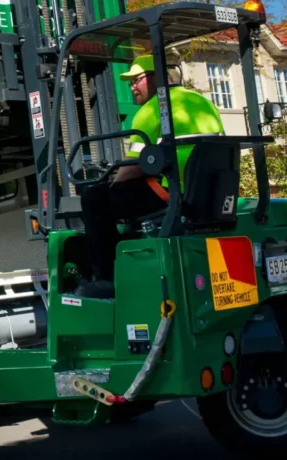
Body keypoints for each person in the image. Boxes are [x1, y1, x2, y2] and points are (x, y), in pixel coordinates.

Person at [76, 54, 225, 298]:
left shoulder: (153, 110)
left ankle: (106, 279)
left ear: (158, 78)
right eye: (131, 82)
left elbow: (134, 165)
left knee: (94, 199)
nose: (132, 87)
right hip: (209, 191)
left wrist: (111, 180)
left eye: (137, 80)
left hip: (170, 191)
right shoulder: (202, 102)